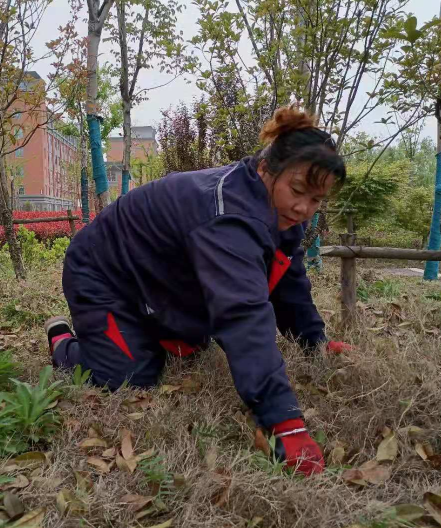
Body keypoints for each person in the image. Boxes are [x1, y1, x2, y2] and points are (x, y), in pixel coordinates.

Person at [44, 106, 351, 476]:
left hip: (157, 278)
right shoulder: (229, 215)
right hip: (103, 273)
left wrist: (313, 340)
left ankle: (158, 329)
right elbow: (242, 313)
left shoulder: (278, 210)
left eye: (316, 200)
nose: (304, 208)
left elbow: (288, 279)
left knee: (190, 342)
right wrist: (285, 423)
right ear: (267, 168)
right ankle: (63, 341)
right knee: (127, 377)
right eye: (298, 190)